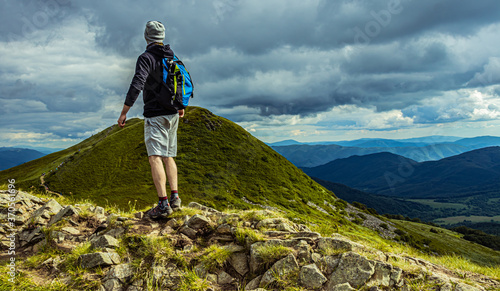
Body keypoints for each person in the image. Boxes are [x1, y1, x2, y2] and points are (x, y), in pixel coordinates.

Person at [117, 20, 183, 218]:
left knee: (155, 156)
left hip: (155, 114)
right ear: (162, 37)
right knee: (168, 155)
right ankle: (175, 198)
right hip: (173, 113)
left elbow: (137, 83)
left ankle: (163, 205)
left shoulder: (146, 58)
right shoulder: (172, 56)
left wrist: (124, 111)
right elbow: (178, 81)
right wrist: (180, 105)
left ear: (147, 37)